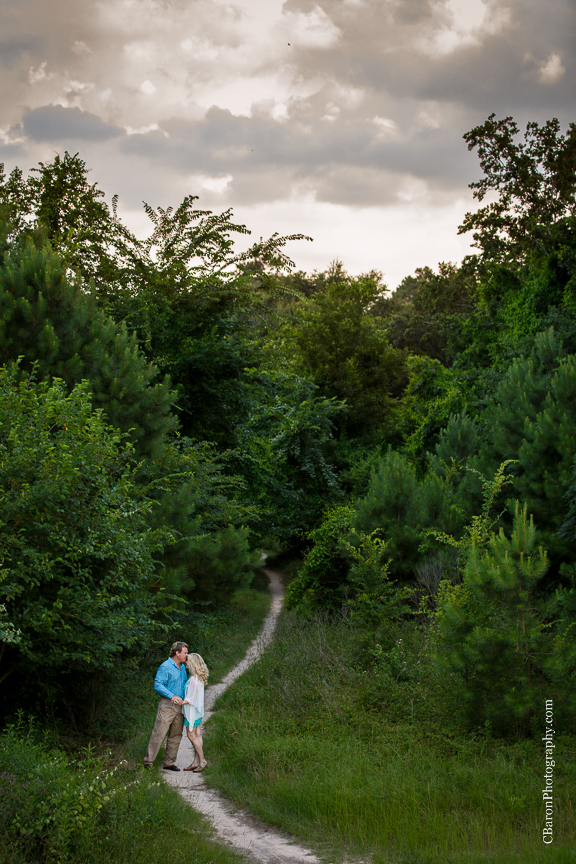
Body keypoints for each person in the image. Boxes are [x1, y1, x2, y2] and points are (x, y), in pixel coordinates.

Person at [143, 641, 188, 771]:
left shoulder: (183, 667)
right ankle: (148, 762)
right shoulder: (165, 666)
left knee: (176, 734)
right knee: (159, 733)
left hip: (180, 706)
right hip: (167, 705)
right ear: (177, 653)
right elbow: (158, 685)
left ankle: (169, 762)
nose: (187, 655)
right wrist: (171, 696)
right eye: (185, 652)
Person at [182, 653, 209, 772]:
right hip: (197, 711)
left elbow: (191, 698)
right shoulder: (198, 677)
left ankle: (202, 760)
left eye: (188, 661)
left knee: (191, 735)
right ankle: (196, 761)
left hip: (192, 712)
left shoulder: (194, 679)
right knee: (197, 734)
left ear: (192, 663)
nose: (186, 663)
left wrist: (180, 702)